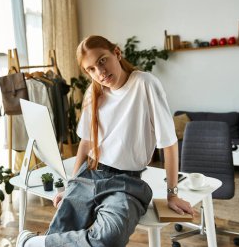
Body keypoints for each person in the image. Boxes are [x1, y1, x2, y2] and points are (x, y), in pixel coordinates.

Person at [16, 35, 194, 247]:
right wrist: (71, 185)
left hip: (126, 183)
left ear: (117, 53)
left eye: (102, 60)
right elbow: (86, 142)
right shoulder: (94, 91)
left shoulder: (145, 84)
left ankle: (31, 243)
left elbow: (169, 143)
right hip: (89, 174)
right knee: (59, 231)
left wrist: (172, 195)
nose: (99, 72)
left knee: (109, 238)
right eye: (91, 69)